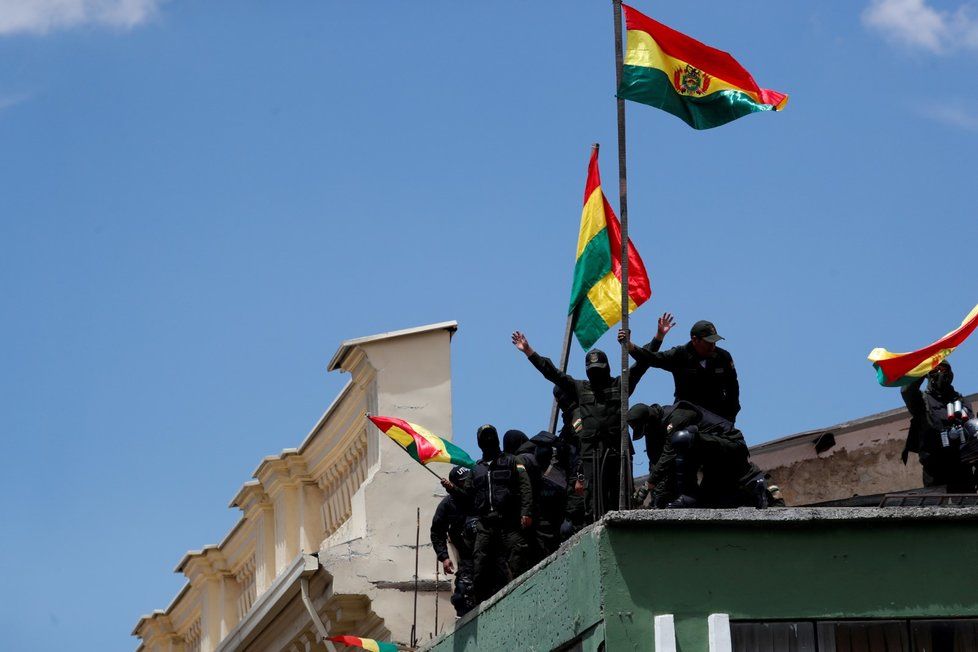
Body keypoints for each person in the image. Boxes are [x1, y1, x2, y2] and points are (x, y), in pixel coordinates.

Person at [512, 315, 669, 523]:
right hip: (591, 454)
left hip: (618, 450)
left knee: (622, 498)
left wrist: (658, 337)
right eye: (592, 371)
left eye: (599, 370)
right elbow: (552, 373)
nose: (596, 374)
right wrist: (529, 352)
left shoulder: (620, 385)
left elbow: (643, 363)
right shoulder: (580, 388)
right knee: (594, 503)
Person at [638, 400, 772, 508]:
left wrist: (648, 484)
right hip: (712, 459)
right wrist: (657, 500)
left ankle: (689, 494)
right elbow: (657, 462)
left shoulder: (676, 417)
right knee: (711, 502)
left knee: (682, 438)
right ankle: (753, 489)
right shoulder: (657, 426)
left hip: (731, 446)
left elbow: (667, 457)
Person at [619, 316, 740, 423]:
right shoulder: (680, 355)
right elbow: (652, 358)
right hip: (687, 416)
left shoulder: (723, 357)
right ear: (695, 340)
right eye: (708, 342)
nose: (712, 346)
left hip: (716, 416)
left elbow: (732, 387)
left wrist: (731, 415)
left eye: (714, 342)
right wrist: (630, 346)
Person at [471, 425, 533, 602]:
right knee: (481, 566)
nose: (488, 439)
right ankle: (480, 604)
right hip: (486, 525)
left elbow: (525, 486)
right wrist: (452, 489)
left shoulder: (513, 461)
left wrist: (526, 512)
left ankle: (520, 598)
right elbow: (467, 495)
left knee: (516, 560)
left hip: (509, 522)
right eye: (485, 436)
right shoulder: (477, 469)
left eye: (491, 436)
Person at [900, 362, 977, 493]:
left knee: (966, 508)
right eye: (936, 370)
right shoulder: (922, 400)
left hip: (961, 467)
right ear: (928, 375)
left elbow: (972, 434)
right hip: (935, 467)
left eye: (944, 369)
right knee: (936, 506)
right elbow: (906, 390)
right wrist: (921, 369)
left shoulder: (961, 401)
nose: (940, 373)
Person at [431, 466, 477, 617]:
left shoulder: (479, 497)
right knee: (462, 597)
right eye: (464, 482)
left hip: (489, 554)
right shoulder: (447, 505)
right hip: (466, 558)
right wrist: (444, 557)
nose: (468, 484)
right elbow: (437, 532)